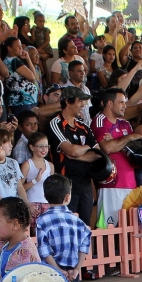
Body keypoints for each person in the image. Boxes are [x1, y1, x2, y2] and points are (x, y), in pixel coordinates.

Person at [45, 86, 99, 225]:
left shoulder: (83, 126)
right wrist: (85, 149)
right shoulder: (55, 123)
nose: (83, 104)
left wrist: (80, 153)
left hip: (86, 183)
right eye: (80, 100)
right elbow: (71, 150)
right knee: (66, 226)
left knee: (85, 226)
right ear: (68, 102)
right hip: (65, 184)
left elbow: (98, 153)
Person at [92, 87, 139, 226]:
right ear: (110, 104)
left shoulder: (125, 123)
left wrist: (117, 142)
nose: (125, 106)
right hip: (110, 183)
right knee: (108, 228)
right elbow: (107, 148)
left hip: (130, 182)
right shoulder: (99, 120)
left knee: (129, 229)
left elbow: (134, 150)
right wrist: (128, 138)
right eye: (121, 102)